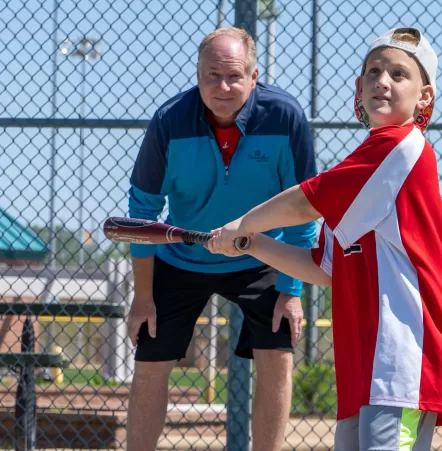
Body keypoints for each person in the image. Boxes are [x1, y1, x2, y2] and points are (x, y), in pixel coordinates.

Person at [207, 27, 442, 450]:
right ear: (359, 86)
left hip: (403, 358)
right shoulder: (362, 174)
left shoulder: (401, 147)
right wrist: (252, 244)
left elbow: (307, 200)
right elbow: (323, 267)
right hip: (366, 364)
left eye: (399, 74)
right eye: (374, 71)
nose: (383, 80)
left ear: (424, 97)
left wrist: (243, 224)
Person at [124, 27, 317, 451]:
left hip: (260, 254)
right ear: (197, 75)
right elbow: (141, 214)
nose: (222, 87)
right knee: (150, 363)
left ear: (254, 76)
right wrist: (143, 296)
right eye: (212, 75)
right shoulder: (168, 121)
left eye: (233, 76)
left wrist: (291, 292)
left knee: (277, 355)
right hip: (181, 257)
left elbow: (305, 206)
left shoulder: (284, 117)